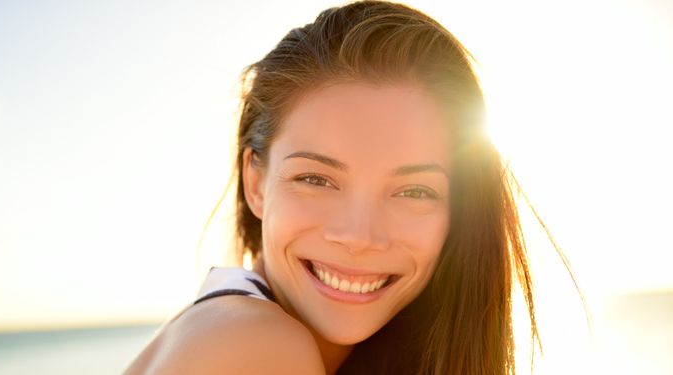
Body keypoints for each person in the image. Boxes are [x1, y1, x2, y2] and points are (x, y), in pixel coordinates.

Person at [124, 1, 573, 373]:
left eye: (414, 191)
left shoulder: (229, 329)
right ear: (256, 182)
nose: (359, 235)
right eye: (316, 179)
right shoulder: (255, 346)